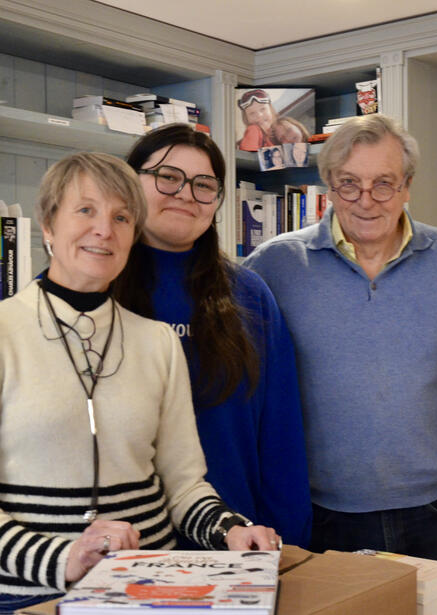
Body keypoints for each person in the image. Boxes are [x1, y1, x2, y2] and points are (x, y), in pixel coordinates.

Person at [0, 152, 279, 612]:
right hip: (31, 598)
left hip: (149, 592)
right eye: (85, 210)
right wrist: (64, 558)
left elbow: (184, 485)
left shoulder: (157, 342)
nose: (104, 230)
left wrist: (230, 528)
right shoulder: (6, 332)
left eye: (121, 217)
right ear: (47, 225)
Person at [245, 114, 437, 562]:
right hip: (318, 510)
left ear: (407, 186)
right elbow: (236, 368)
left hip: (432, 508)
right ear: (328, 186)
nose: (367, 201)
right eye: (349, 184)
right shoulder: (276, 265)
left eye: (383, 183)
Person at [113, 124, 312, 549]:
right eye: (168, 177)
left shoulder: (249, 294)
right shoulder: (92, 290)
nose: (186, 193)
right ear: (130, 183)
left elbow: (280, 434)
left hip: (236, 543)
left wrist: (289, 542)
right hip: (118, 550)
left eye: (204, 185)